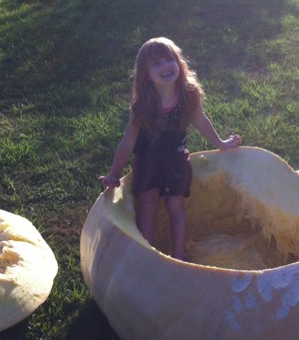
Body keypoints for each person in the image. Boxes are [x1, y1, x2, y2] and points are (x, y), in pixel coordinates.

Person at [100, 37, 242, 261]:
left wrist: (221, 143)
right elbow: (128, 142)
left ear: (180, 64)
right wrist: (114, 175)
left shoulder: (188, 95)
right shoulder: (142, 105)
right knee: (147, 202)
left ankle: (178, 257)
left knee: (175, 203)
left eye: (169, 60)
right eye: (156, 64)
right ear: (146, 74)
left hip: (176, 158)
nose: (165, 66)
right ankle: (146, 255)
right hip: (147, 159)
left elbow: (201, 121)